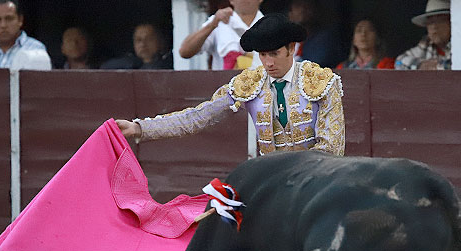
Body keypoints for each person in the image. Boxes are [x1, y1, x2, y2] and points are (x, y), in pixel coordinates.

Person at [117, 13, 345, 156]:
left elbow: (331, 150)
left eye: (274, 54)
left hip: (316, 185)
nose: (267, 63)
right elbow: (198, 117)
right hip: (272, 184)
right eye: (263, 55)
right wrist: (140, 128)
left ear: (291, 48)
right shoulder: (250, 83)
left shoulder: (323, 82)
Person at [178, 0, 264, 70]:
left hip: (262, 87)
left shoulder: (268, 24)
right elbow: (184, 52)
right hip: (224, 86)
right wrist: (212, 24)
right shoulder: (218, 21)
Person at [395, 0, 451, 71]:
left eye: (440, 21)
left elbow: (455, 65)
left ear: (451, 23)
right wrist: (421, 65)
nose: (434, 26)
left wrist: (437, 66)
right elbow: (399, 62)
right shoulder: (427, 44)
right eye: (430, 22)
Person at [288, 0, 346, 68]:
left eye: (307, 6)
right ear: (290, 14)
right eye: (298, 6)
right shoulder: (286, 41)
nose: (302, 10)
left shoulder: (325, 39)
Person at [100, 23, 173, 70]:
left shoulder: (171, 63)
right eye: (138, 40)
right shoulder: (130, 63)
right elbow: (104, 68)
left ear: (161, 42)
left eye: (149, 39)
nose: (143, 44)